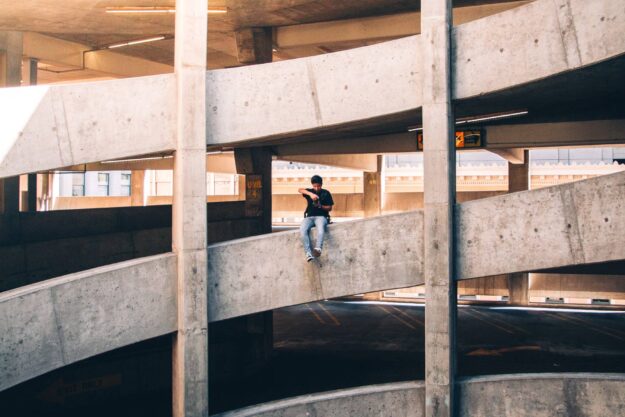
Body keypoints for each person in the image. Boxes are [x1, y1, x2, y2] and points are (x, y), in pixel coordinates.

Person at [298, 175, 334, 262]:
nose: (317, 188)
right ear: (312, 185)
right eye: (315, 186)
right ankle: (308, 253)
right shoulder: (310, 192)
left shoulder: (326, 193)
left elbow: (330, 208)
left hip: (321, 217)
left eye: (318, 186)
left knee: (321, 230)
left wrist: (320, 206)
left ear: (321, 184)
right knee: (302, 230)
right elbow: (300, 190)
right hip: (309, 217)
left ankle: (318, 248)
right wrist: (311, 194)